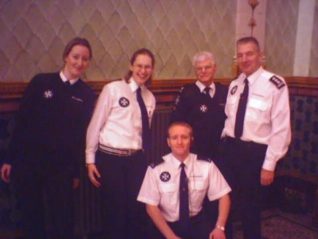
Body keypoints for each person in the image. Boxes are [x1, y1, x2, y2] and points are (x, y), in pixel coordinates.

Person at [0, 37, 96, 239]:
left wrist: (76, 173)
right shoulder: (41, 82)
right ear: (66, 57)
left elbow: (82, 137)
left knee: (63, 219)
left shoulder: (86, 94)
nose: (79, 63)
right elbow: (22, 122)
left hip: (61, 168)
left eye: (85, 59)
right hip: (29, 162)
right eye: (75, 57)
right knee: (31, 215)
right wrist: (9, 158)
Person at [221, 36, 291, 239]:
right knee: (226, 203)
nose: (244, 59)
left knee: (250, 209)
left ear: (260, 55)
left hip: (254, 154)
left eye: (249, 53)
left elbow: (281, 128)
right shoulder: (235, 84)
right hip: (230, 150)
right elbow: (229, 118)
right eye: (240, 55)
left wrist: (269, 165)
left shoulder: (275, 84)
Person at [85, 48, 156, 239]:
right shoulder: (113, 89)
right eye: (139, 66)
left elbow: (143, 133)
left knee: (135, 210)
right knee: (113, 211)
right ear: (131, 66)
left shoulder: (150, 98)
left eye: (147, 67)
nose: (143, 70)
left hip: (136, 160)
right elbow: (96, 124)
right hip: (110, 158)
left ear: (151, 69)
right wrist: (90, 160)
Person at [138, 122, 231, 239]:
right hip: (165, 226)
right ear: (168, 142)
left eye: (184, 137)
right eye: (174, 137)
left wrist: (220, 227)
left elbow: (224, 196)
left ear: (191, 140)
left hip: (196, 224)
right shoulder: (155, 169)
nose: (179, 142)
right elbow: (150, 206)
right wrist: (171, 236)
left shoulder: (206, 165)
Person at [170, 51, 227, 159]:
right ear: (195, 71)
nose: (203, 71)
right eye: (199, 68)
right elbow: (175, 124)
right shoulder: (186, 93)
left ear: (215, 68)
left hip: (221, 152)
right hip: (195, 153)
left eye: (207, 67)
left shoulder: (225, 91)